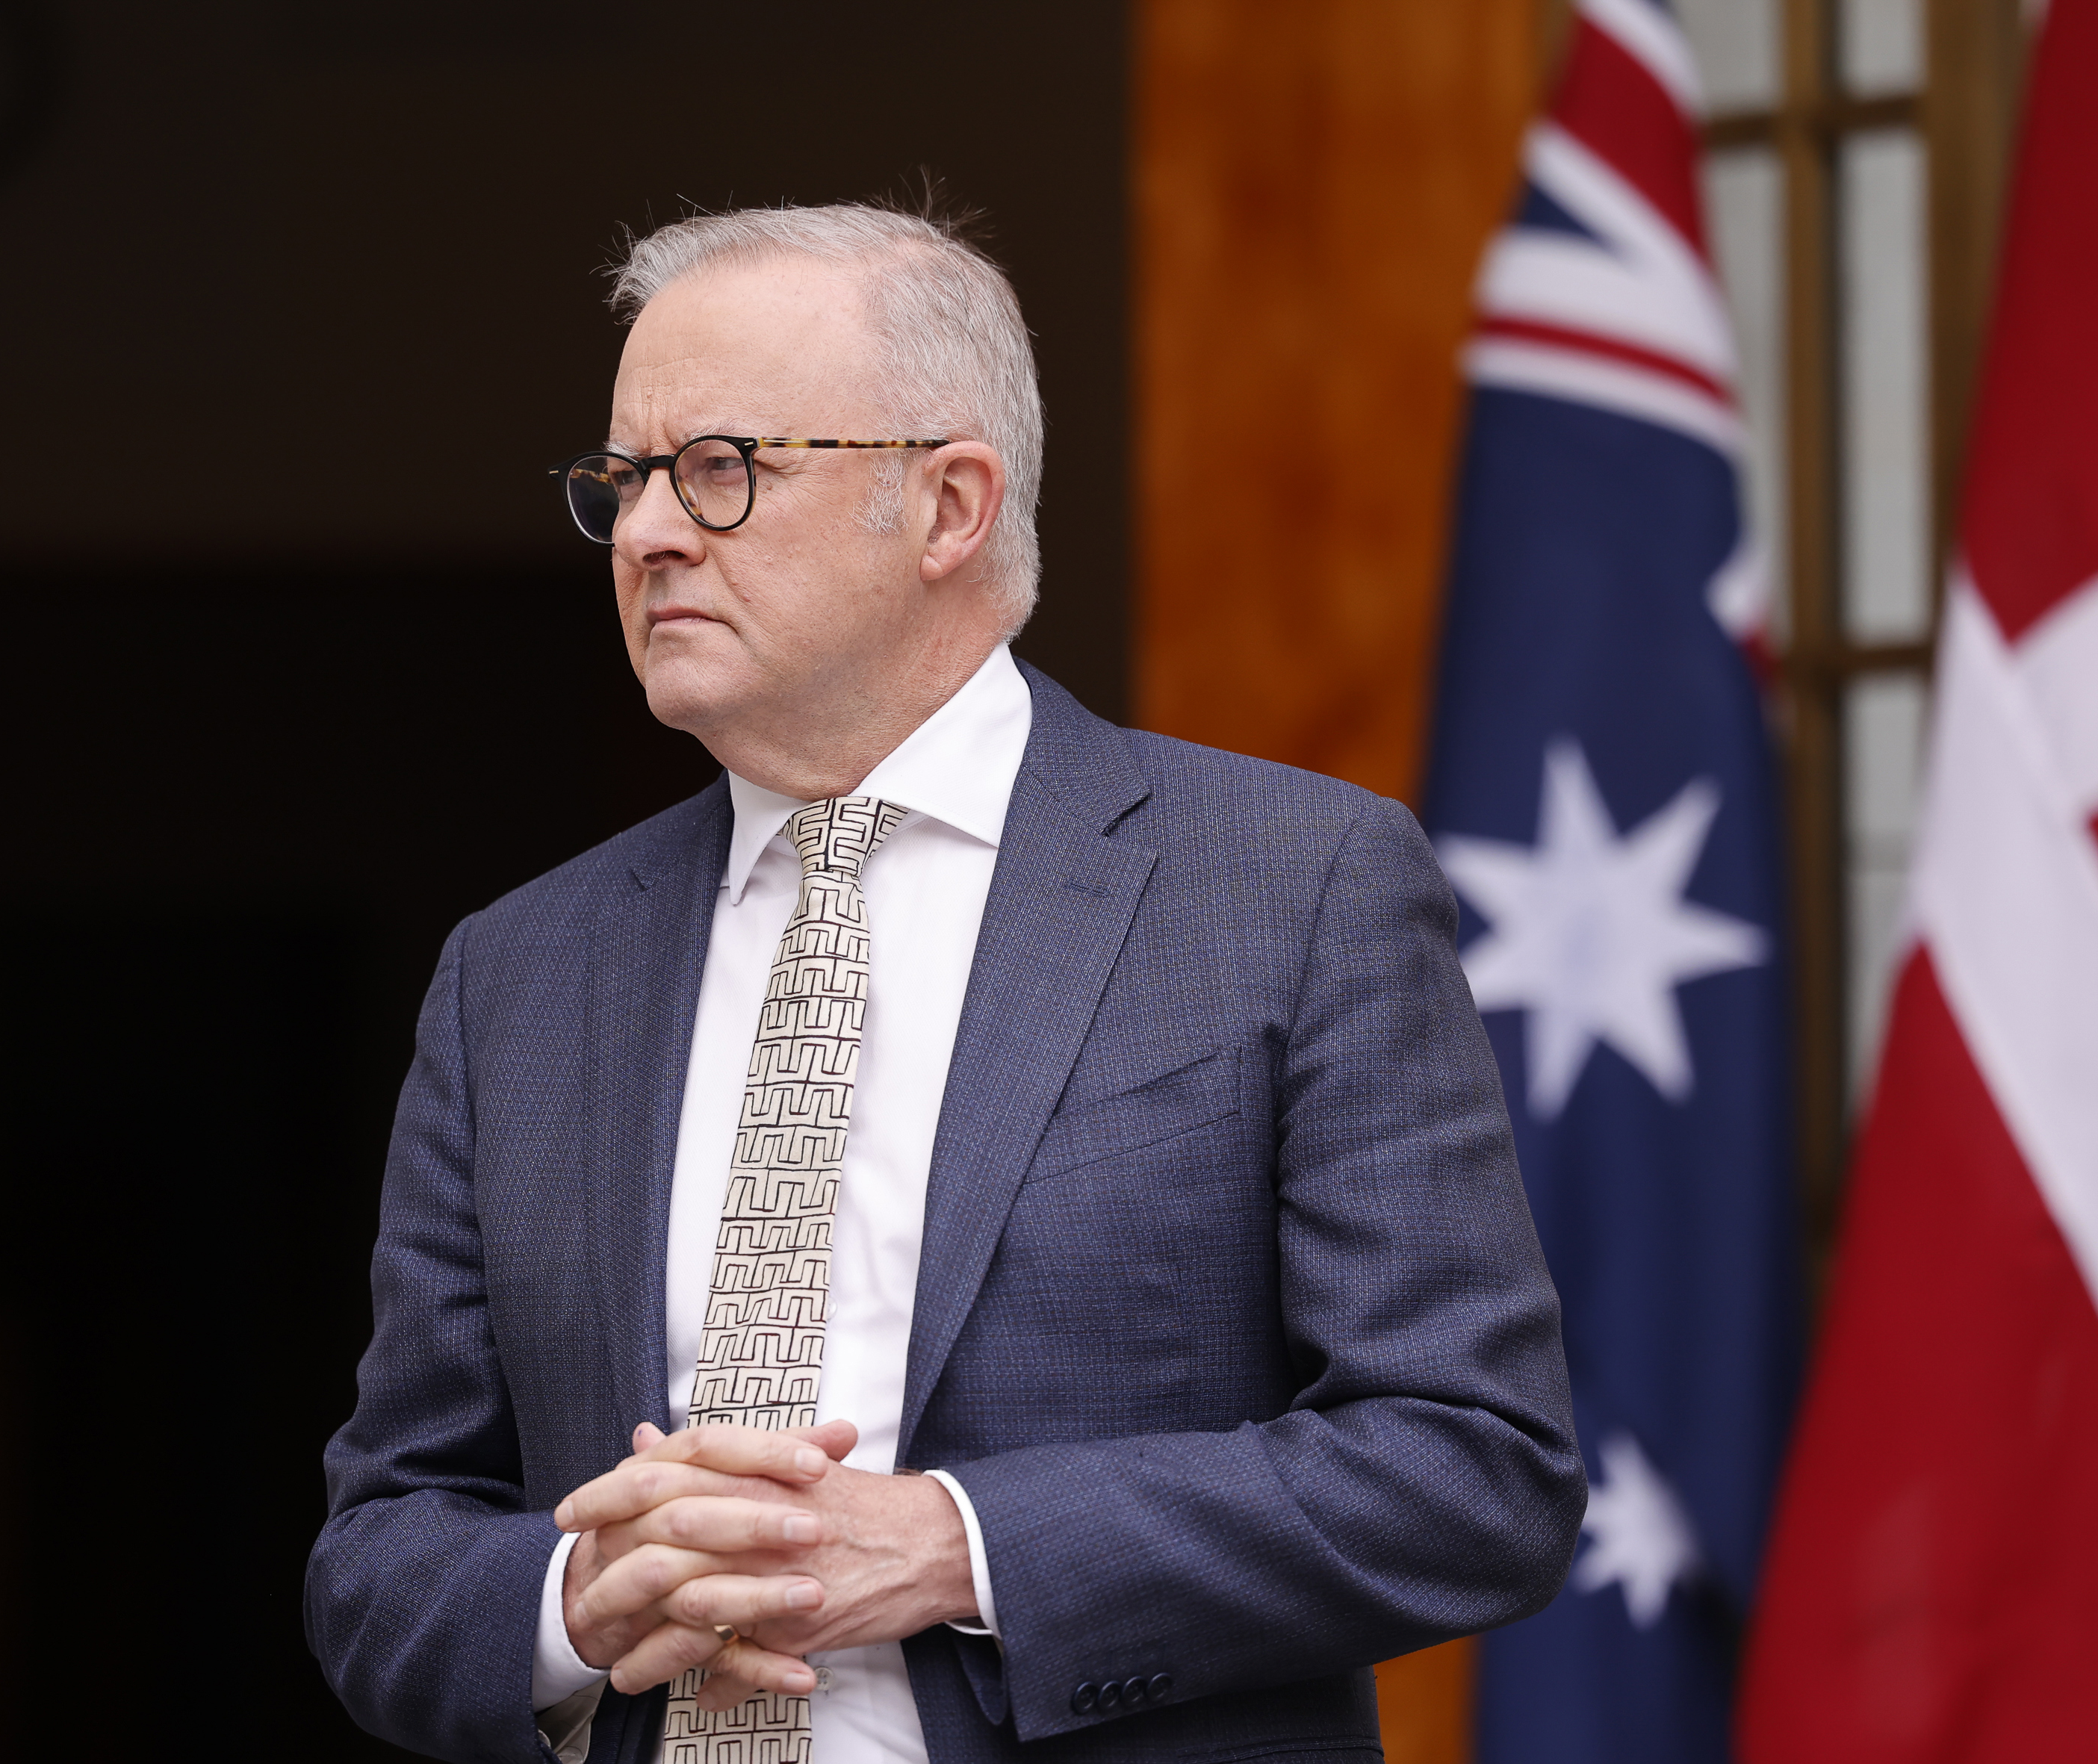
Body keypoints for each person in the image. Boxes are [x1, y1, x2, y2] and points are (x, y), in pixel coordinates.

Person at [305, 202, 1583, 1764]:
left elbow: (1472, 1470)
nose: (643, 534)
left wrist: (956, 1544)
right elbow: (381, 1548)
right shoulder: (514, 971)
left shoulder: (1286, 886)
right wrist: (573, 1601)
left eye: (720, 469)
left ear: (946, 505)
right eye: (624, 480)